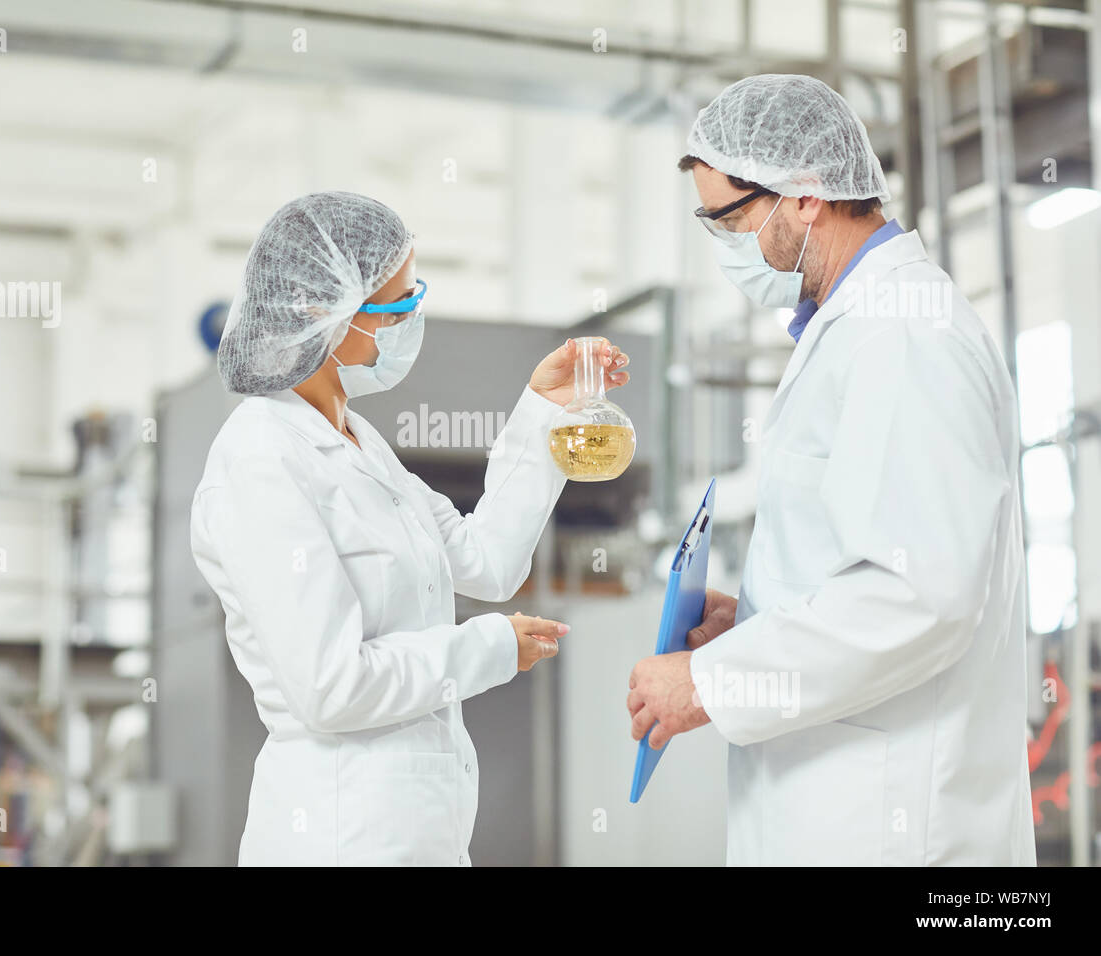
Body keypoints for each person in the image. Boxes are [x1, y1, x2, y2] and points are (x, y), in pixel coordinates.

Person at [626, 75, 1035, 865]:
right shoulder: (855, 328)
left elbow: (920, 595)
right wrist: (750, 618)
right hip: (835, 804)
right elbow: (860, 555)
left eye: (731, 219)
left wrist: (718, 682)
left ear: (806, 195)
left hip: (896, 823)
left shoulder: (904, 337)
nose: (724, 245)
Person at [192, 191, 630, 866]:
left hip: (418, 835)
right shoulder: (261, 459)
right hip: (337, 838)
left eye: (413, 300)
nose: (410, 324)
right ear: (320, 312)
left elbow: (487, 562)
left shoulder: (361, 444)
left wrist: (543, 408)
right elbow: (331, 688)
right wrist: (487, 648)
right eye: (396, 309)